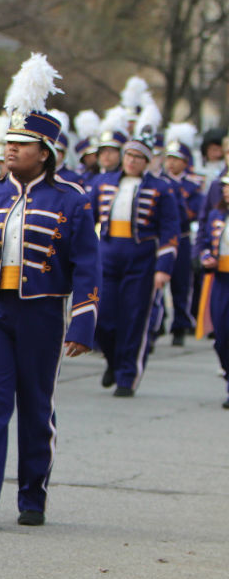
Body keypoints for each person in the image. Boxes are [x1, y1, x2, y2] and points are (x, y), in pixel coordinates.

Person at [0, 53, 100, 529]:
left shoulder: (71, 200)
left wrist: (85, 318)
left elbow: (87, 262)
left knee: (36, 407)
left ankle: (32, 496)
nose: (10, 150)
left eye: (22, 143)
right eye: (8, 142)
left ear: (47, 152)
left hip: (41, 314)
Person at [88, 122, 180, 397]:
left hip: (141, 259)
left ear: (147, 161)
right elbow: (86, 221)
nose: (131, 161)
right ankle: (113, 361)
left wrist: (164, 268)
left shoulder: (161, 189)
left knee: (134, 318)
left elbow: (170, 230)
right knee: (102, 317)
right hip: (108, 256)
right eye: (128, 155)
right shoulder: (102, 183)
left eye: (138, 157)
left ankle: (127, 376)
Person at [163, 124, 202, 346]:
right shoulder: (160, 183)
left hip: (184, 237)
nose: (171, 163)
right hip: (164, 239)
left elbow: (193, 212)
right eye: (169, 158)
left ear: (186, 163)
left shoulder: (192, 186)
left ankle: (180, 325)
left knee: (181, 284)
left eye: (177, 159)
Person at [197, 175, 229, 406]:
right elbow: (204, 241)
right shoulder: (215, 214)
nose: (226, 191)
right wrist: (205, 256)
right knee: (221, 336)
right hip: (221, 280)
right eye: (226, 186)